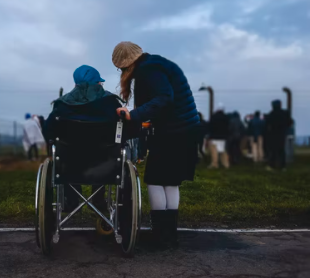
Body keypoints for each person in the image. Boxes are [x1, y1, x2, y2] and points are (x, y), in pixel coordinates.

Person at [112, 41, 200, 248]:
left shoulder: (148, 71)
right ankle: (169, 235)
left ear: (128, 64)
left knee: (154, 179)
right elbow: (166, 100)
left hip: (173, 132)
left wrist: (133, 115)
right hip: (185, 129)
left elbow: (164, 97)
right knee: (170, 181)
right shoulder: (157, 64)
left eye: (122, 68)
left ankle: (161, 234)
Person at [43, 65, 124, 212]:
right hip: (104, 164)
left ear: (76, 83)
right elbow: (125, 130)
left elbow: (48, 131)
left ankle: (72, 200)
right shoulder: (111, 103)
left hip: (69, 163)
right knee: (103, 155)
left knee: (67, 156)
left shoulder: (62, 105)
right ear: (98, 83)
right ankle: (98, 200)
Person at [265, 100, 292, 171]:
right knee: (281, 151)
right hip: (282, 134)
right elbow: (290, 122)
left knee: (273, 151)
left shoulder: (271, 114)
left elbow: (267, 124)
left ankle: (272, 165)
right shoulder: (285, 113)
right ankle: (283, 166)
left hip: (273, 134)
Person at [208, 103, 230, 169]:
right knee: (223, 151)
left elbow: (210, 126)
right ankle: (225, 164)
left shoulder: (213, 116)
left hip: (214, 136)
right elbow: (228, 127)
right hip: (223, 137)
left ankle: (215, 164)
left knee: (214, 151)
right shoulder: (226, 117)